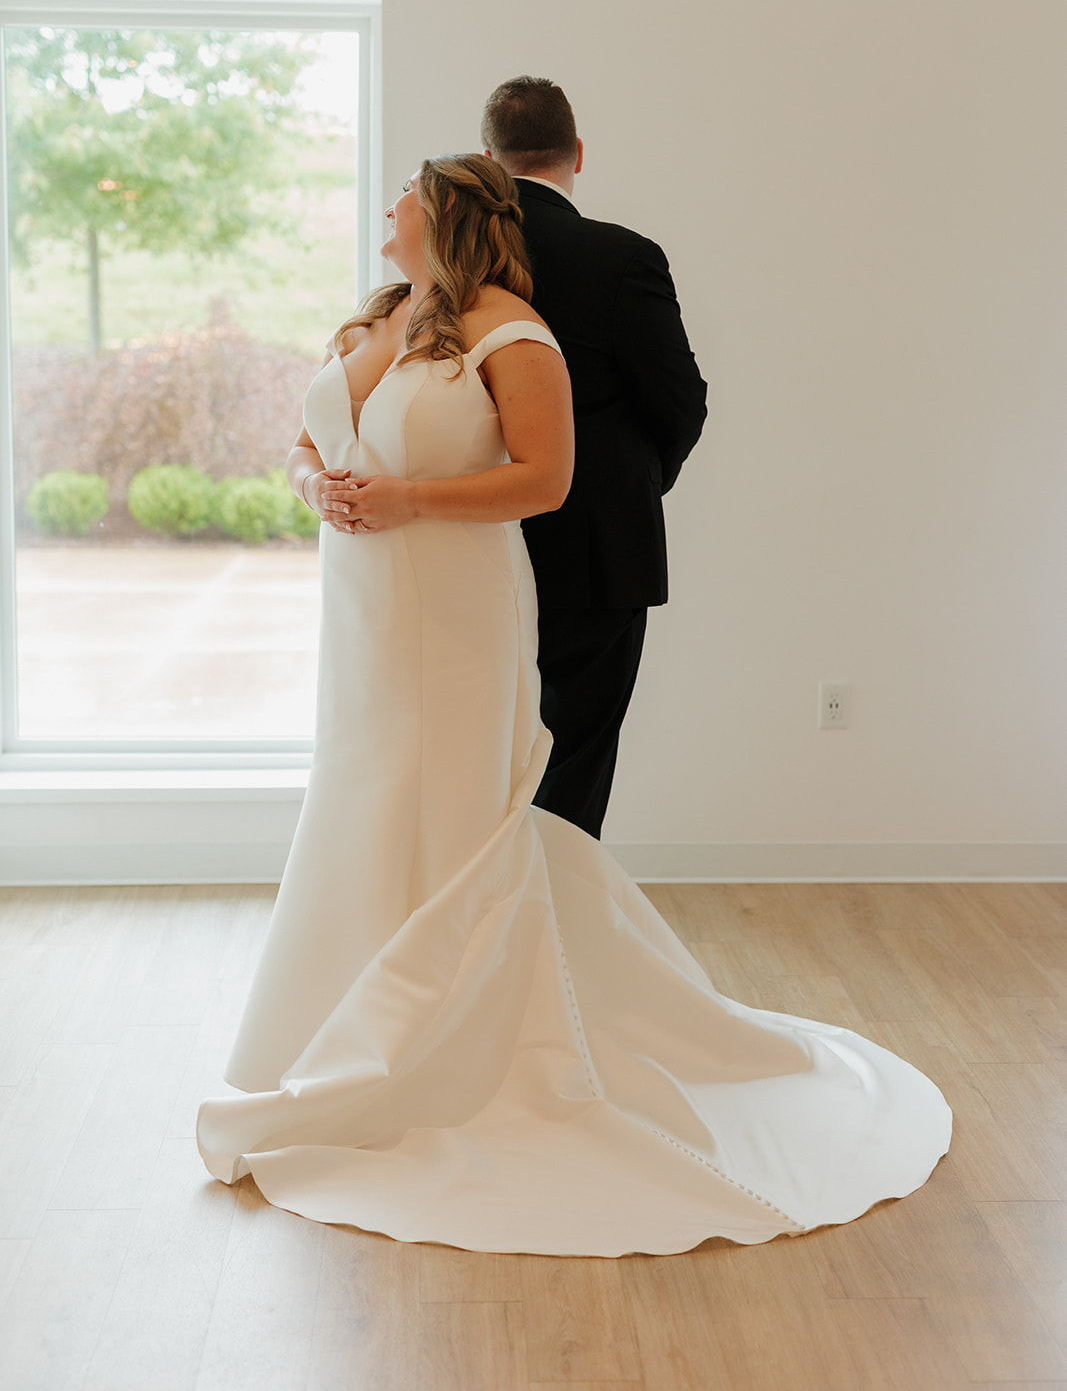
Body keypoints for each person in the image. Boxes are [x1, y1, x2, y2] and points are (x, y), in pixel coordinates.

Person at [197, 153, 950, 1257]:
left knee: (454, 797)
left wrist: (406, 497)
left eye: (406, 190)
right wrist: (317, 487)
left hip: (453, 603)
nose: (388, 205)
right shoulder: (377, 315)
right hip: (360, 603)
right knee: (362, 786)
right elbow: (310, 441)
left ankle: (460, 1035)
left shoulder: (514, 332)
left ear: (446, 214)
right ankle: (336, 1018)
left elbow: (544, 480)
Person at [481, 76, 708, 839]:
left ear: (489, 157)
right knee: (574, 754)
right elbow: (679, 399)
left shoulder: (455, 264)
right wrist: (636, 482)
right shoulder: (622, 256)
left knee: (480, 746)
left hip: (472, 533)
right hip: (599, 544)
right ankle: (553, 930)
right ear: (577, 151)